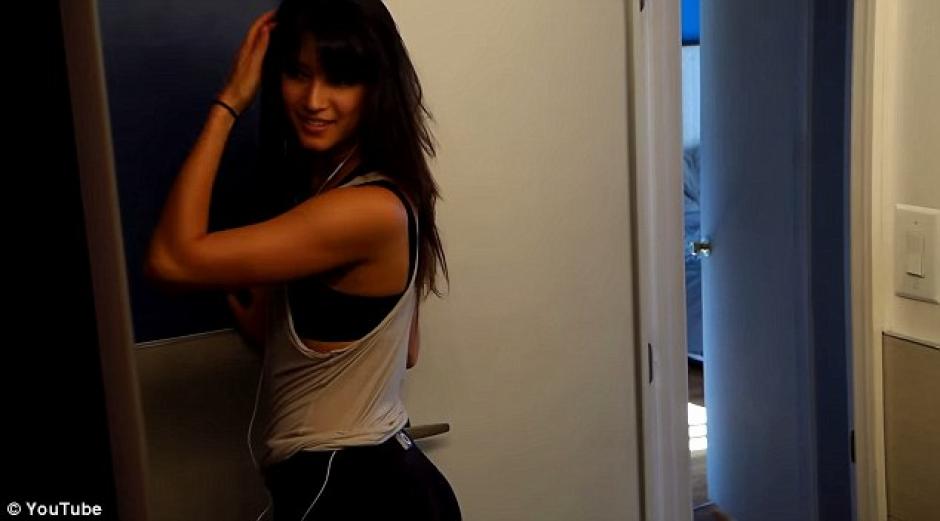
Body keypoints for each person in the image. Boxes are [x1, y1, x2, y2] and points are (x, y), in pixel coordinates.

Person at [144, 1, 460, 519]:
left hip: (353, 487)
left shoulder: (363, 210)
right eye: (297, 73)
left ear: (377, 88)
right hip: (382, 477)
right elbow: (403, 350)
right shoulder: (375, 188)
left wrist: (228, 102)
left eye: (341, 79)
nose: (314, 100)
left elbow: (170, 262)